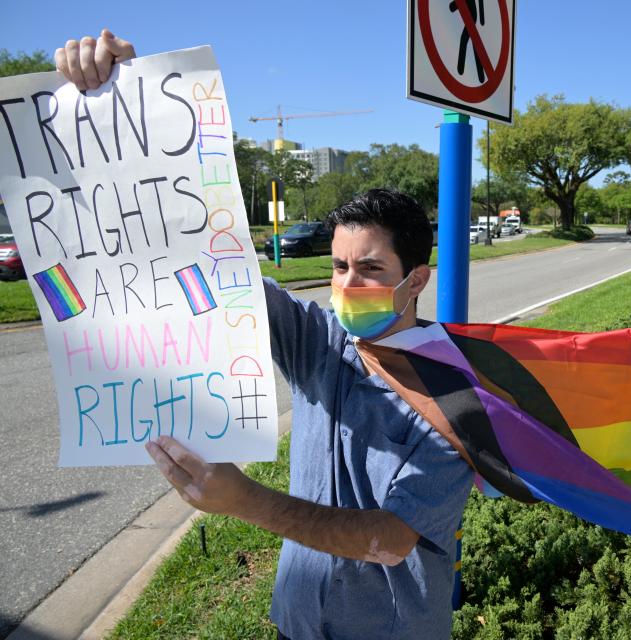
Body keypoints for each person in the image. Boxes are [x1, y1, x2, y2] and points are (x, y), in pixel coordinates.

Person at [56, 32, 474, 640]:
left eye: (370, 269)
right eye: (338, 266)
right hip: (296, 622)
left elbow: (387, 539)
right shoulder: (319, 340)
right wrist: (126, 106)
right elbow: (209, 255)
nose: (346, 283)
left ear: (415, 280)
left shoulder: (454, 394)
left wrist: (244, 500)